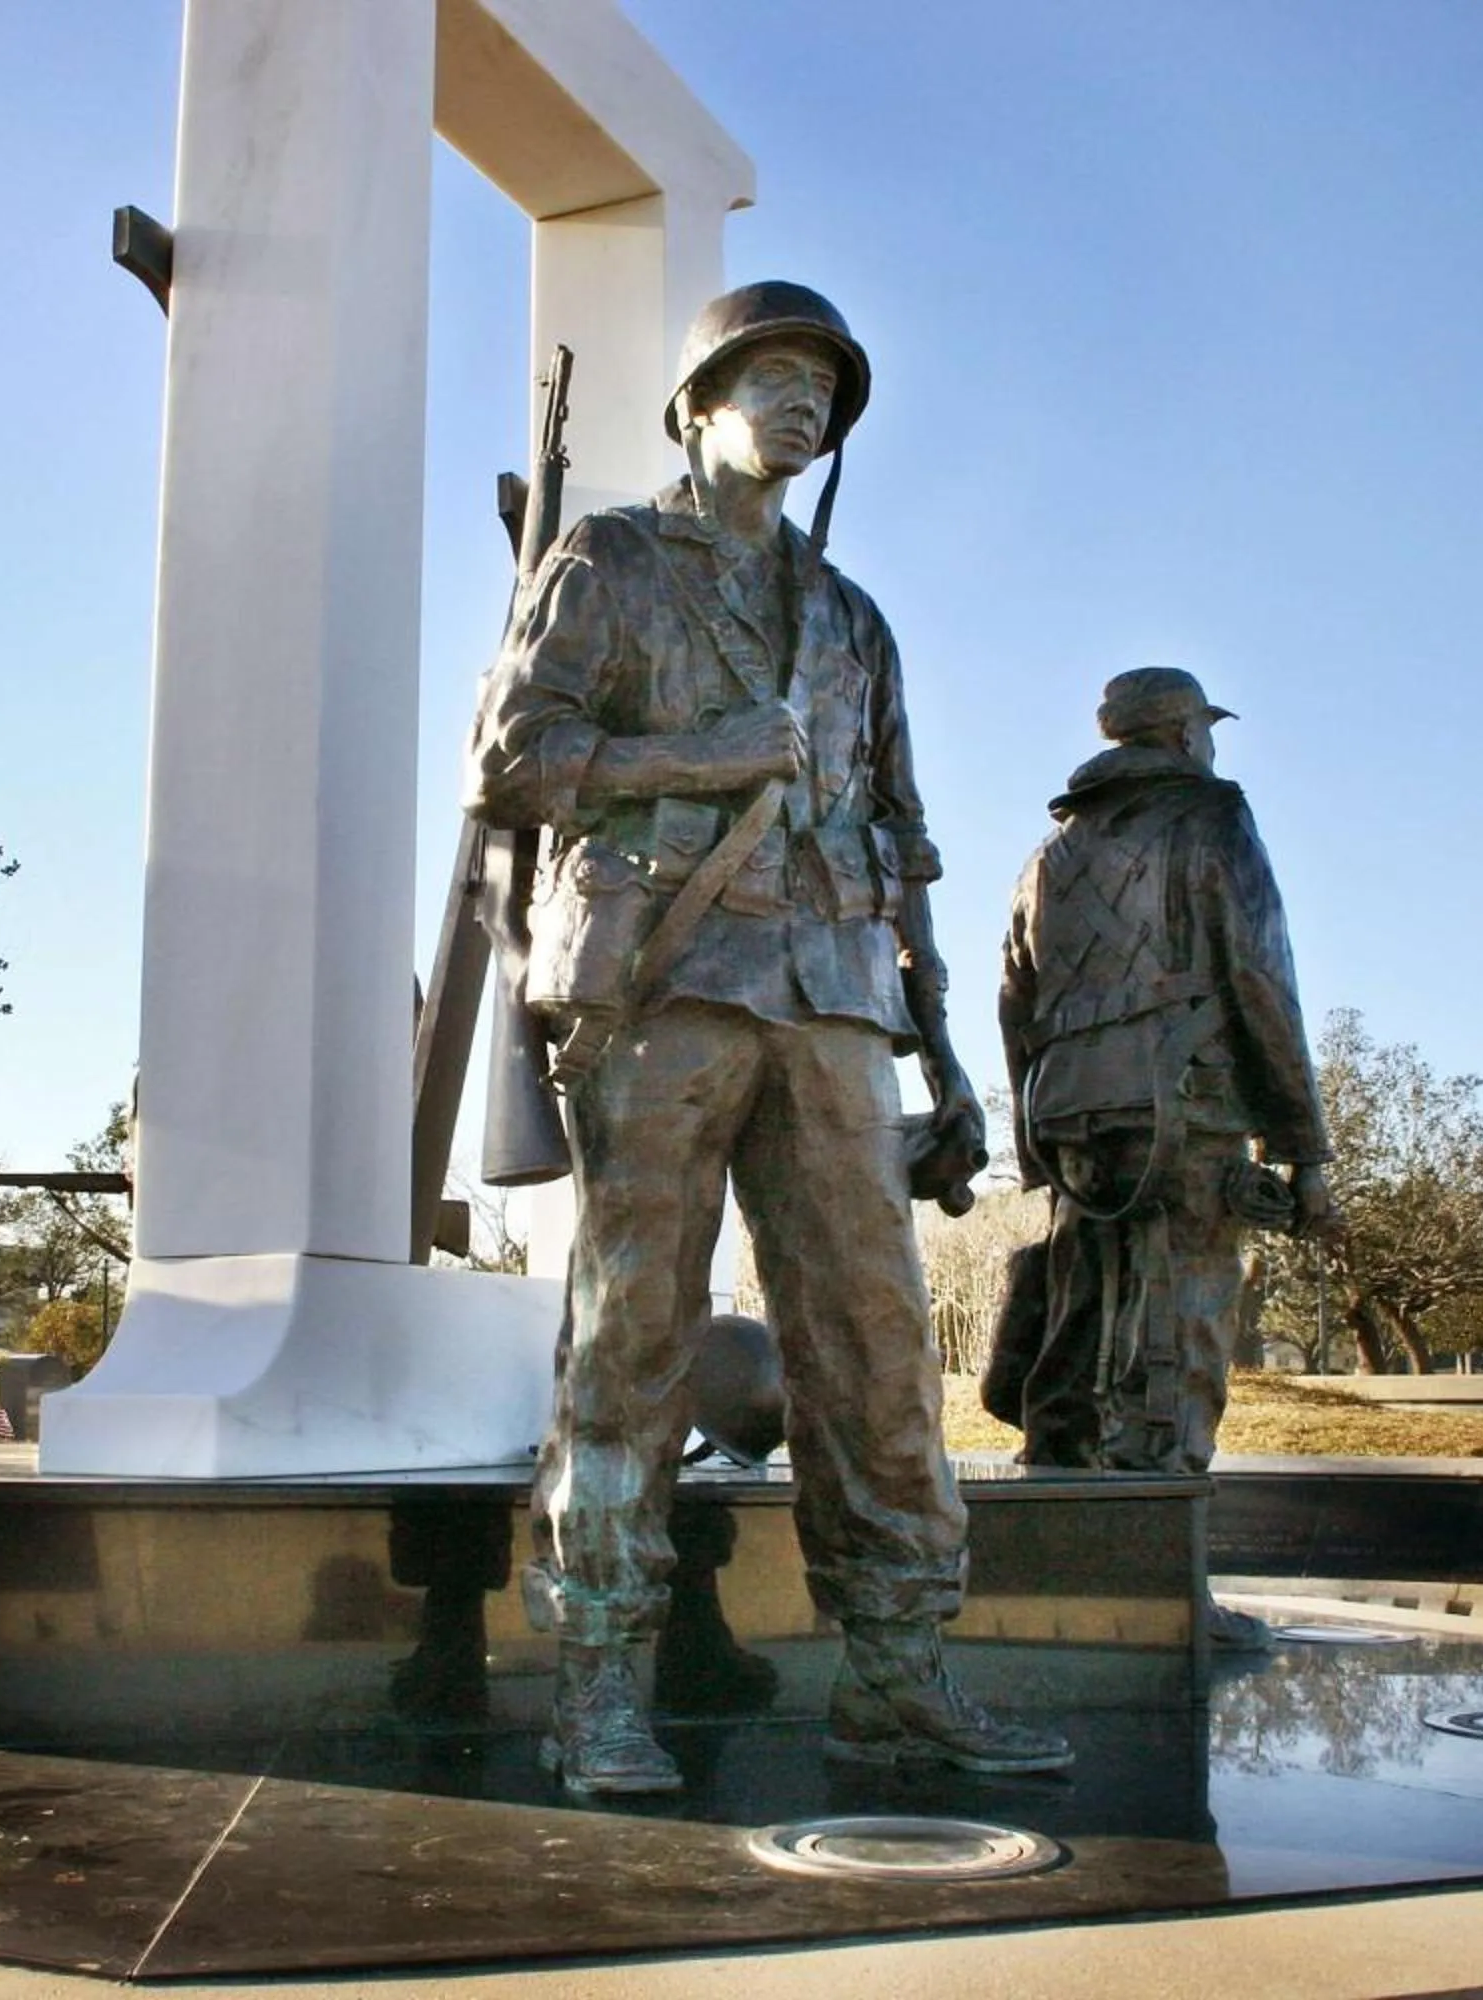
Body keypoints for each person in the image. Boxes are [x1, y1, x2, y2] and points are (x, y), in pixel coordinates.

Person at [469, 281, 1069, 1793]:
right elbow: (512, 757)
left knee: (876, 1349)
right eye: (772, 376)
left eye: (824, 387)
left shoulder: (853, 620)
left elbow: (901, 844)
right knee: (633, 1340)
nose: (802, 403)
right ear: (699, 403)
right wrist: (697, 754)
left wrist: (941, 1054)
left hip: (836, 1007)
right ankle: (601, 1682)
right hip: (663, 986)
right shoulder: (603, 559)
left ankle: (899, 1671)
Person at [990, 668, 1338, 1647]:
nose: (1213, 746)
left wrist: (1036, 1144)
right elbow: (1261, 978)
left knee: (1076, 1329)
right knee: (1181, 1336)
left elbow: (1013, 1007)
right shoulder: (1213, 818)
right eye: (1205, 729)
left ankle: (1036, 1584)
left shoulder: (1045, 856)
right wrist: (1303, 1148)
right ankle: (1165, 1595)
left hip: (1073, 1119)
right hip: (1183, 1107)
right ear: (1182, 735)